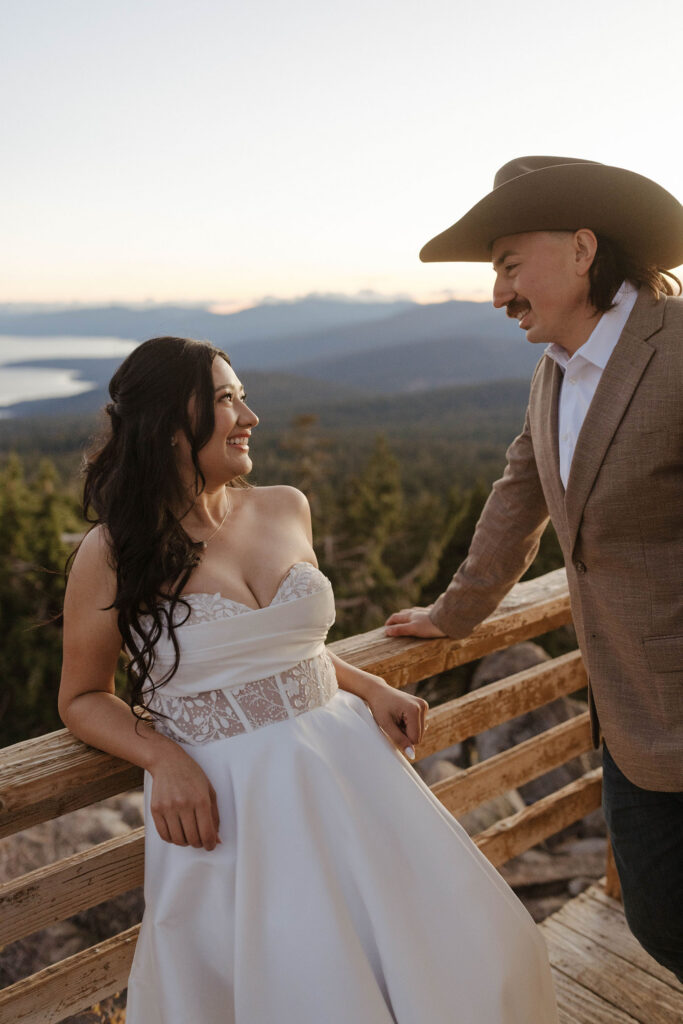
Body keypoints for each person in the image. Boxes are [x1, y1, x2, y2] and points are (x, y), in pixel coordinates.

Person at [58, 335, 557, 1024]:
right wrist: (161, 756)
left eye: (243, 396)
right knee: (297, 984)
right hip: (233, 805)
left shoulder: (286, 505)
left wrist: (369, 688)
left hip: (350, 766)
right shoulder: (111, 551)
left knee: (461, 956)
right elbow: (82, 697)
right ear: (170, 425)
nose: (249, 415)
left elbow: (290, 648)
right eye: (227, 399)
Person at [386, 155, 683, 983]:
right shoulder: (553, 370)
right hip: (629, 714)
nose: (496, 295)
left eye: (509, 266)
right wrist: (454, 615)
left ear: (582, 249)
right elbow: (518, 495)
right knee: (660, 917)